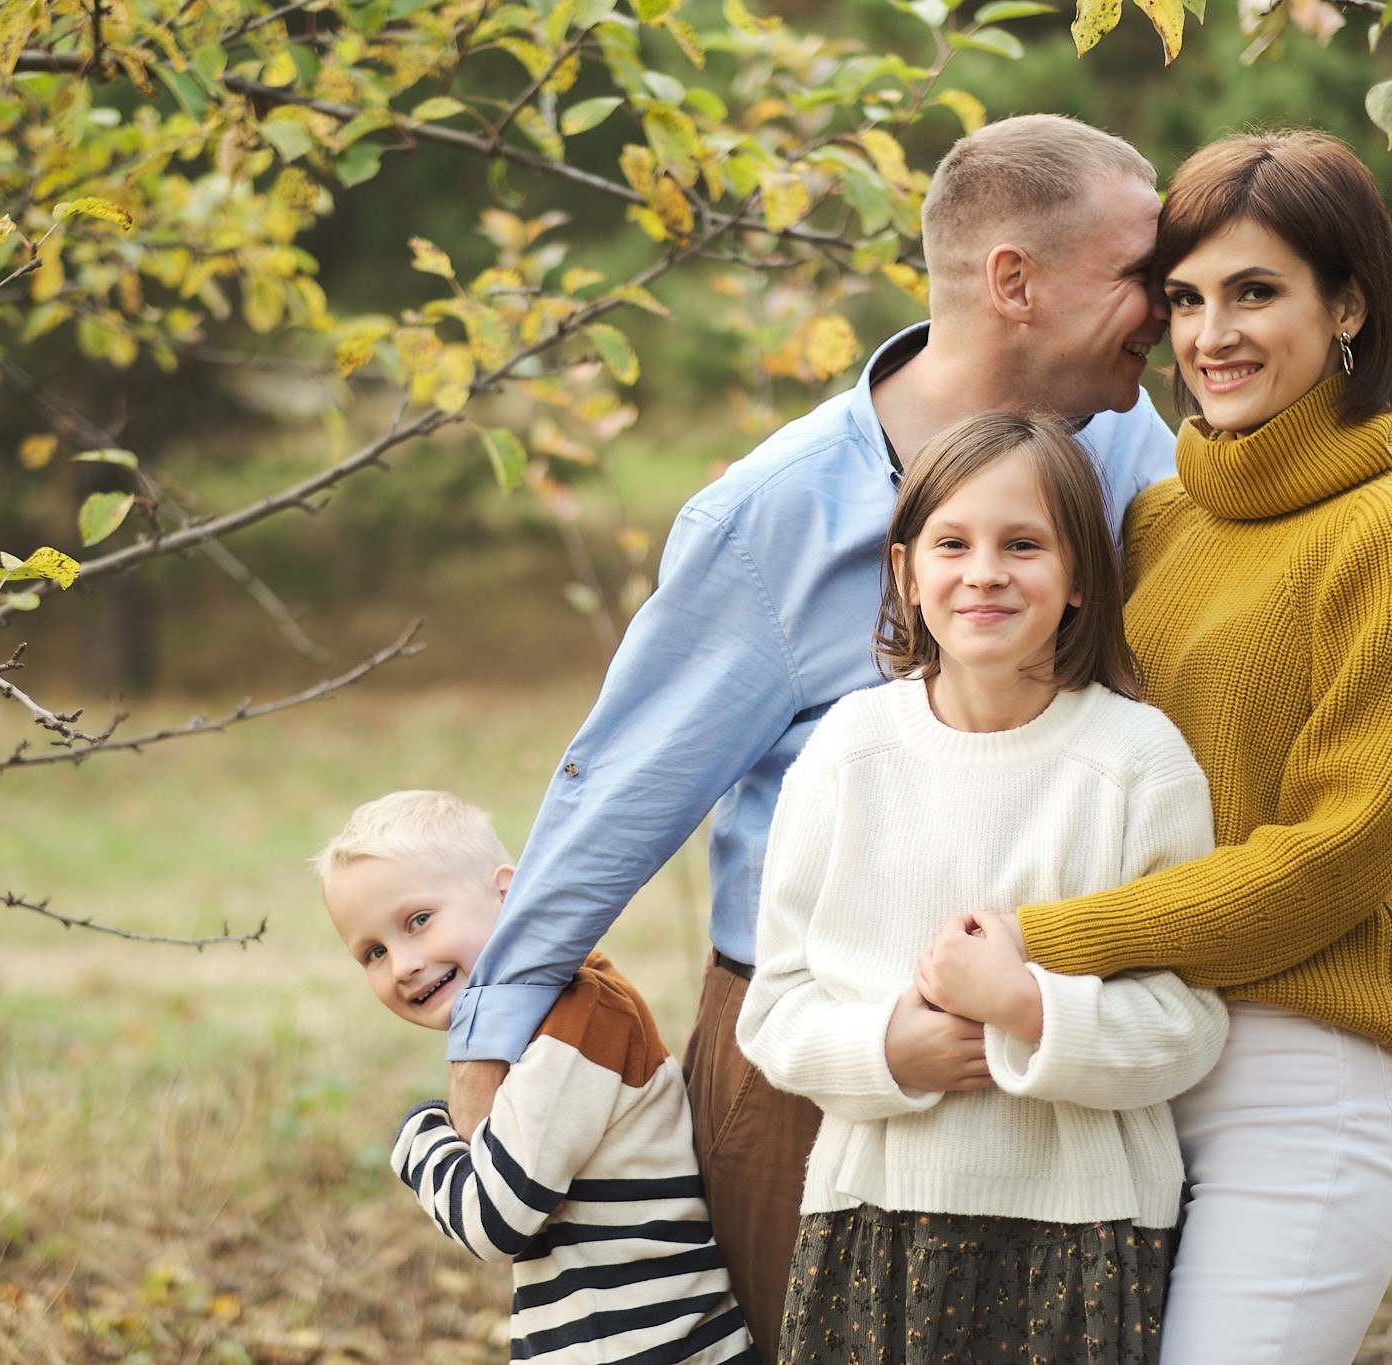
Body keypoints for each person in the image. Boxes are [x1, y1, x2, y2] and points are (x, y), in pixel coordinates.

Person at [445, 113, 1178, 1361]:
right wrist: (492, 1036)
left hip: (1067, 1069)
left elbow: (1208, 676)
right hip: (811, 1070)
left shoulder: (1129, 453)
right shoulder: (775, 514)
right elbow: (623, 783)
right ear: (1014, 282)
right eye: (1137, 279)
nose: (1166, 312)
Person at [927, 132, 1392, 1364]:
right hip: (1111, 1062)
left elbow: (1329, 860)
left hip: (1297, 1074)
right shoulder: (1152, 521)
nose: (1210, 336)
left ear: (1347, 303)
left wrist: (1042, 944)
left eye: (1256, 292)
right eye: (1184, 299)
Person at [737, 411, 1229, 1362]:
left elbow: (1187, 1023)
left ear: (1082, 574)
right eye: (953, 542)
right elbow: (776, 1010)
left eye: (1024, 544)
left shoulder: (1138, 761)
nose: (986, 571)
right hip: (877, 1217)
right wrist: (891, 1050)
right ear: (904, 569)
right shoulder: (847, 751)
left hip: (1083, 1232)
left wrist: (1029, 1008)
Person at [314, 790, 755, 1365]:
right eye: (372, 952)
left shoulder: (581, 1021)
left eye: (418, 921)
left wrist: (418, 1135)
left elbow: (493, 1220)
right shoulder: (540, 1029)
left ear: (507, 891)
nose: (403, 965)